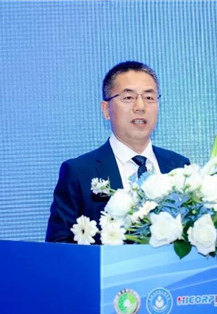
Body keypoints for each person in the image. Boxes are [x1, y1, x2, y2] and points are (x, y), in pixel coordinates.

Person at [46, 61, 190, 242]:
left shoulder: (179, 166)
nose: (140, 106)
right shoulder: (78, 173)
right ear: (106, 109)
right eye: (128, 97)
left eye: (149, 97)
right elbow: (59, 248)